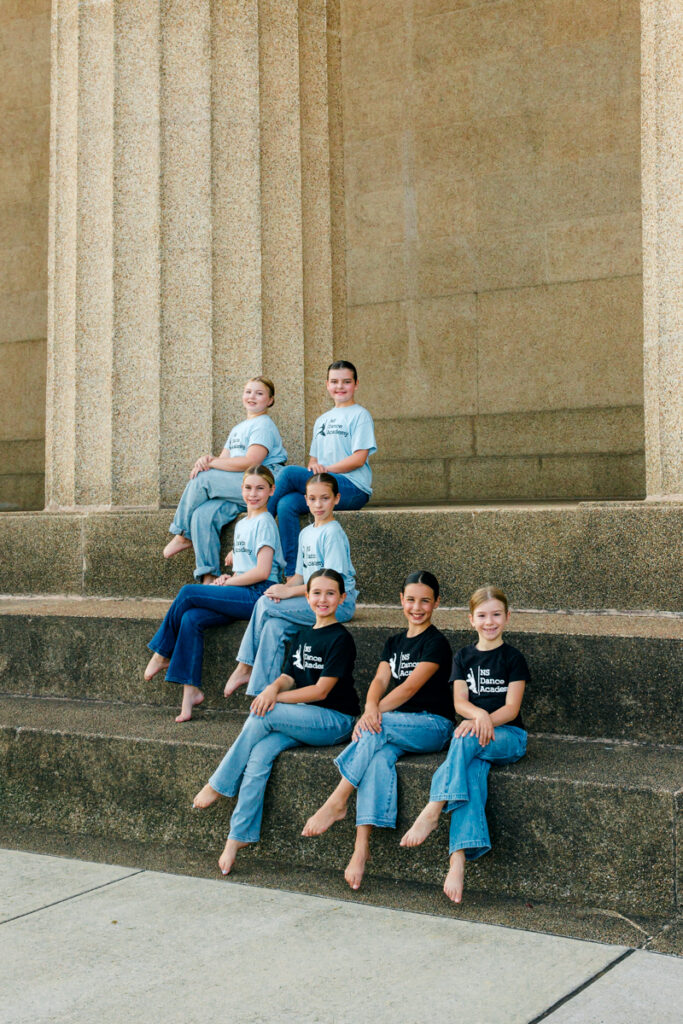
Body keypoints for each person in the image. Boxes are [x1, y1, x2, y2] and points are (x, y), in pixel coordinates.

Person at [192, 569, 359, 876]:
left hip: (335, 721)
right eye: (316, 593)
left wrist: (275, 700)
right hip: (304, 718)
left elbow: (322, 690)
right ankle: (237, 837)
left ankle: (219, 783)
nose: (323, 599)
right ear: (306, 596)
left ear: (342, 598)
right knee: (259, 754)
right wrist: (272, 688)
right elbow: (289, 676)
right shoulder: (302, 634)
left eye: (330, 593)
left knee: (264, 713)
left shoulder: (340, 639)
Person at [302, 571, 454, 891]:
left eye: (425, 601)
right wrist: (370, 708)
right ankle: (360, 849)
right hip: (395, 726)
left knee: (376, 729)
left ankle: (338, 800)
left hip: (432, 725)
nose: (417, 607)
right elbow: (379, 682)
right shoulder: (394, 642)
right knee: (377, 757)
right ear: (401, 600)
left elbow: (410, 688)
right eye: (410, 600)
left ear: (436, 603)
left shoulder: (436, 643)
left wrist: (375, 714)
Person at [400, 585, 529, 905]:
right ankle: (457, 861)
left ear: (507, 617)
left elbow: (511, 709)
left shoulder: (513, 658)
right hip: (474, 736)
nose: (490, 622)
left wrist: (484, 720)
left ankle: (433, 808)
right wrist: (477, 715)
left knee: (464, 737)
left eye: (496, 615)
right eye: (482, 616)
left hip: (508, 737)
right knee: (471, 773)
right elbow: (459, 703)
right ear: (471, 619)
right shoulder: (463, 657)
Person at [144, 466, 285, 723]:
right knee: (191, 619)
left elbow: (263, 572)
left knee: (188, 593)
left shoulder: (265, 523)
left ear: (271, 491)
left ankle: (162, 651)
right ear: (241, 490)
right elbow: (245, 566)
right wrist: (227, 578)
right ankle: (191, 694)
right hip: (241, 589)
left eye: (260, 488)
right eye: (248, 488)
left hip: (259, 595)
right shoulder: (244, 523)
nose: (253, 494)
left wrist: (229, 585)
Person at [224, 472, 357, 698]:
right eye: (313, 499)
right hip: (312, 601)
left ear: (336, 499)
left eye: (325, 498)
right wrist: (284, 589)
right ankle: (261, 694)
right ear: (305, 500)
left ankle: (245, 666)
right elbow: (298, 576)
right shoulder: (306, 533)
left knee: (265, 605)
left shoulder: (332, 533)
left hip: (336, 604)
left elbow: (332, 585)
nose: (318, 504)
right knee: (273, 626)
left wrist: (288, 593)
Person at [163, 377, 287, 582]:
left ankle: (182, 534)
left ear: (270, 400)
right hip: (237, 486)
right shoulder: (238, 429)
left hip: (257, 485)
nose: (252, 397)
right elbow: (223, 462)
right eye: (248, 392)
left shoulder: (263, 425)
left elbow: (252, 461)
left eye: (259, 393)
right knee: (202, 514)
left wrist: (210, 465)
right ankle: (208, 577)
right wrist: (207, 461)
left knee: (203, 479)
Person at [268, 360, 376, 578]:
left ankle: (258, 521)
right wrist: (316, 467)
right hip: (324, 485)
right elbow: (313, 461)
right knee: (286, 504)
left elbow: (358, 458)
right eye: (334, 381)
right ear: (327, 385)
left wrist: (324, 471)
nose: (340, 386)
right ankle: (291, 575)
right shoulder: (321, 420)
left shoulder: (360, 415)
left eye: (346, 381)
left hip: (352, 488)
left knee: (288, 474)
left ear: (356, 384)